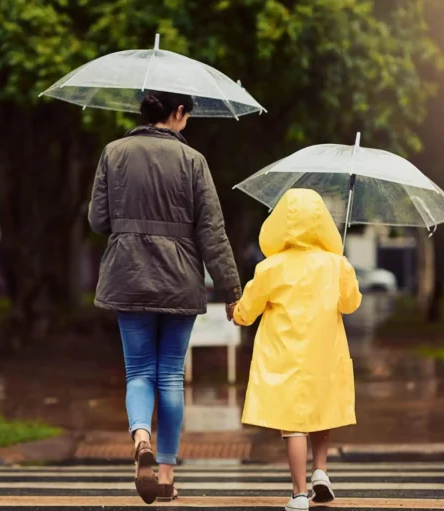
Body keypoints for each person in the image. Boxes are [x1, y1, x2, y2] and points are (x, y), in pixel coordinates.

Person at [88, 90, 241, 504]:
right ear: (176, 112)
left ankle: (141, 438)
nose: (187, 122)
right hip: (178, 279)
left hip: (127, 275)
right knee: (170, 375)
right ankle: (168, 477)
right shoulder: (193, 162)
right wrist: (231, 290)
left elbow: (98, 220)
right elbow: (212, 232)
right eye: (186, 115)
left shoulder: (113, 152)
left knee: (138, 371)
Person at [233, 188, 362, 511]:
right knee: (322, 412)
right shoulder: (336, 264)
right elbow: (350, 304)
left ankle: (300, 493)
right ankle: (321, 470)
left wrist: (236, 312)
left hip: (285, 357)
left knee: (293, 425)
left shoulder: (271, 268)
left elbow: (247, 310)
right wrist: (344, 272)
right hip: (325, 352)